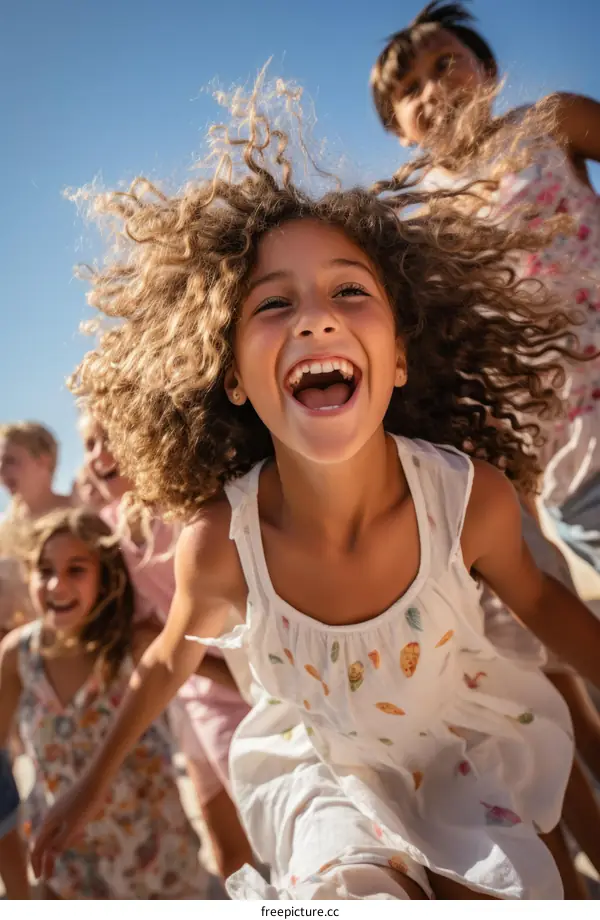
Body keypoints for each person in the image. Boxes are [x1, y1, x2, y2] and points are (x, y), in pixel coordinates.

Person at [31, 77, 600, 900]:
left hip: (459, 748)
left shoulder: (464, 499)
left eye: (349, 291)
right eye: (274, 302)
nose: (315, 318)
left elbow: (547, 610)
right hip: (326, 772)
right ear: (231, 375)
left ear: (398, 358)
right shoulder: (222, 544)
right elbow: (165, 660)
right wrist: (88, 783)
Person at [369, 0, 600, 870]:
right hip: (573, 465)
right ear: (398, 131)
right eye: (409, 91)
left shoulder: (553, 124)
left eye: (444, 64)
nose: (431, 89)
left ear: (487, 71)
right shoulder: (415, 222)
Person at [0, 506, 223, 899]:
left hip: (155, 856)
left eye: (76, 570)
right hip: (66, 861)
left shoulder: (132, 646)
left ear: (104, 576)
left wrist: (173, 639)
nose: (56, 585)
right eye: (45, 570)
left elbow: (228, 678)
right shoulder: (17, 656)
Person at [78, 410, 254, 878]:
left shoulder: (184, 512)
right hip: (189, 697)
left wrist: (205, 669)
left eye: (107, 437)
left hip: (241, 689)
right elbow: (140, 635)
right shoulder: (109, 531)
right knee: (227, 854)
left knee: (272, 830)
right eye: (88, 445)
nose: (98, 455)